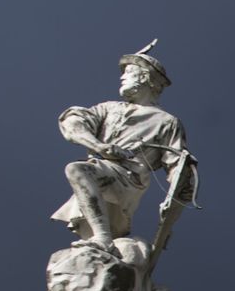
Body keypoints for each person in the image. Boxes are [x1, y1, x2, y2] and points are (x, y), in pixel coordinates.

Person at [52, 43, 196, 248]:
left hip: (131, 177)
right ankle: (106, 239)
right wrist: (98, 145)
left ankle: (103, 238)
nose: (122, 77)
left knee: (77, 170)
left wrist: (173, 204)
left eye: (129, 72)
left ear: (145, 78)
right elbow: (74, 121)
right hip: (102, 168)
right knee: (82, 174)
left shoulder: (166, 121)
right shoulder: (109, 108)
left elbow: (177, 167)